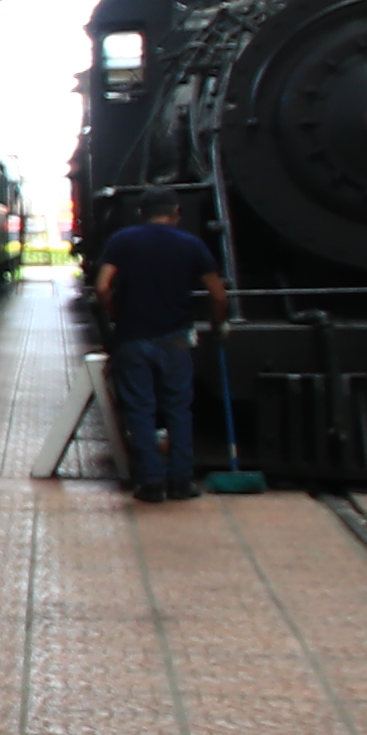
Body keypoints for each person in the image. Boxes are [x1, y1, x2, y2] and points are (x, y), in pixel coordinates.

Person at [90, 190, 230, 501]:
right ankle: (181, 482)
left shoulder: (122, 241)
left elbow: (102, 286)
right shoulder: (191, 243)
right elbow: (219, 295)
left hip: (132, 337)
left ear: (141, 212)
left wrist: (116, 313)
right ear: (176, 212)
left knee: (140, 410)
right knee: (178, 409)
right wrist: (218, 324)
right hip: (175, 339)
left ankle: (150, 483)